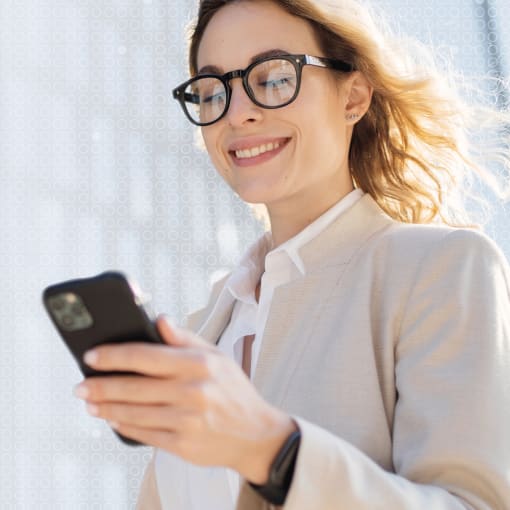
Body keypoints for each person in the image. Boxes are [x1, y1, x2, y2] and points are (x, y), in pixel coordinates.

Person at [73, 0, 510, 508]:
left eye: (275, 79)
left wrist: (271, 448)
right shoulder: (207, 325)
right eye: (214, 91)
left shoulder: (440, 269)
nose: (238, 114)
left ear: (354, 97)